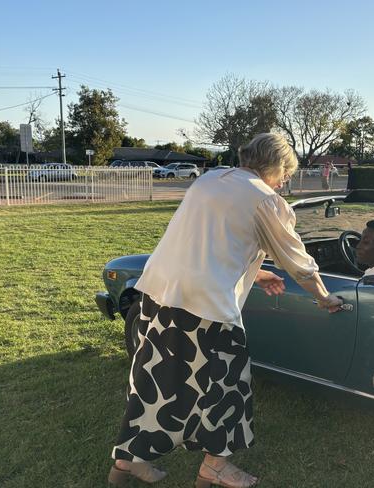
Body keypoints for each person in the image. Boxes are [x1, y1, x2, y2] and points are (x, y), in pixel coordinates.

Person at [108, 133, 343, 488]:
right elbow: (298, 263)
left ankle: (126, 463)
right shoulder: (266, 200)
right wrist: (324, 296)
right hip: (206, 308)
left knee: (155, 382)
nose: (283, 183)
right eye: (285, 175)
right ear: (275, 166)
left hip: (158, 294)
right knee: (227, 387)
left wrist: (257, 272)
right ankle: (215, 467)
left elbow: (208, 240)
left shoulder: (208, 180)